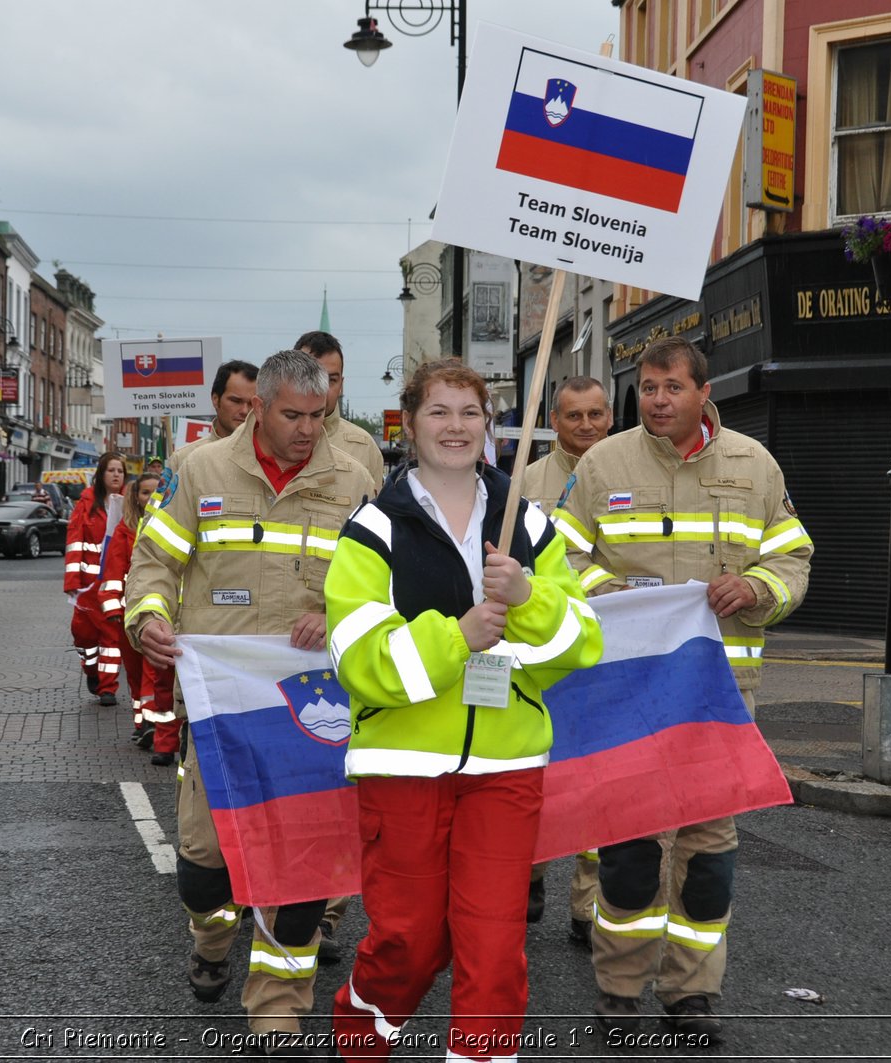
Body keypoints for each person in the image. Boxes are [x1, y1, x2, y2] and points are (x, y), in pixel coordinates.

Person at [325, 359, 602, 1061]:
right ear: (410, 425)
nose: (455, 426)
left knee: (494, 950)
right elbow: (358, 657)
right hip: (404, 766)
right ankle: (357, 1036)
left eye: (470, 413)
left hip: (507, 766)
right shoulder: (373, 527)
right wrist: (460, 636)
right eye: (439, 412)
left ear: (490, 426)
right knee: (409, 944)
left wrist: (529, 596)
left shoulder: (531, 524)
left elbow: (581, 640)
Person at [555, 336, 813, 1038]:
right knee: (633, 852)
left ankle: (692, 993)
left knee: (707, 861)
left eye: (672, 386)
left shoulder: (754, 464)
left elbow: (793, 559)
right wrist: (600, 588)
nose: (658, 399)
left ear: (704, 391)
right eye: (647, 386)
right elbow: (558, 550)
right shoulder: (603, 463)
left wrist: (755, 586)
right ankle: (618, 991)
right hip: (629, 693)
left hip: (719, 698)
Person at [124, 350, 375, 1057]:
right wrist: (148, 619)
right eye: (292, 415)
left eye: (318, 416)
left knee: (297, 871)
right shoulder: (200, 470)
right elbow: (155, 563)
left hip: (312, 709)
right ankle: (211, 935)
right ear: (256, 407)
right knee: (205, 867)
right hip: (221, 704)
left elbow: (377, 585)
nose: (306, 430)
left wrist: (339, 614)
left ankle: (278, 1013)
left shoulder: (352, 481)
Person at [292, 331, 386, 964]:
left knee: (332, 783)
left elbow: (376, 541)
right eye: (318, 376)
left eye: (337, 380)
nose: (328, 390)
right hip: (262, 652)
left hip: (334, 649)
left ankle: (325, 910)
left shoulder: (360, 452)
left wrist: (340, 610)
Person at [518, 376, 614, 943]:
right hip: (541, 648)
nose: (586, 426)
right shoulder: (526, 481)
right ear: (554, 420)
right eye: (574, 416)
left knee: (595, 777)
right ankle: (529, 870)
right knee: (541, 768)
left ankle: (588, 905)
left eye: (596, 414)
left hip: (603, 647)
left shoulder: (624, 467)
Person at [132, 360, 259, 748]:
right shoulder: (186, 463)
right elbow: (153, 544)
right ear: (215, 400)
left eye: (252, 403)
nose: (244, 411)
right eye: (235, 401)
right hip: (196, 624)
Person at [83, 472, 163, 757]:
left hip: (161, 612)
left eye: (156, 492)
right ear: (136, 497)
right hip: (130, 612)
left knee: (155, 671)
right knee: (136, 671)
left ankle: (154, 723)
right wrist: (113, 608)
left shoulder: (172, 525)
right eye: (145, 492)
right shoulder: (125, 529)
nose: (151, 497)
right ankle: (142, 721)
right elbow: (113, 572)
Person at [66, 452, 127, 703]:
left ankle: (107, 688)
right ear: (101, 474)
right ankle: (91, 668)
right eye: (111, 470)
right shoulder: (87, 502)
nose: (116, 475)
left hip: (114, 584)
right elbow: (75, 541)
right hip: (87, 587)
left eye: (120, 471)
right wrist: (72, 582)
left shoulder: (128, 503)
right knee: (84, 636)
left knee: (112, 637)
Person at [294, 330, 387, 488]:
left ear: (341, 384)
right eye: (312, 377)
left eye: (331, 380)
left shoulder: (364, 448)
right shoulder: (267, 438)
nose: (321, 389)